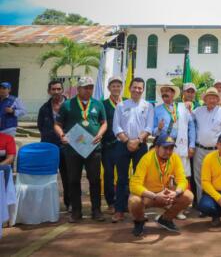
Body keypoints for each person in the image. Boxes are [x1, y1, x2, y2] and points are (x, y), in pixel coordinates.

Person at [54, 77, 107, 223]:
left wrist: (100, 134)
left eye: (90, 87)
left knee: (95, 180)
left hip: (93, 148)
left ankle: (96, 210)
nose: (88, 90)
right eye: (85, 87)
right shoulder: (67, 105)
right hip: (73, 149)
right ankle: (76, 211)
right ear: (78, 89)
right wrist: (62, 135)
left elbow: (104, 123)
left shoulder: (98, 104)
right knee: (73, 180)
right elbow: (57, 124)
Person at [128, 134, 194, 236]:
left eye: (171, 148)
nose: (168, 152)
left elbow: (183, 180)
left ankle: (166, 219)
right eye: (165, 148)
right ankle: (139, 221)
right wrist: (154, 196)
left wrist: (175, 192)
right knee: (134, 201)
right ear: (157, 147)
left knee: (188, 196)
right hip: (148, 196)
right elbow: (134, 185)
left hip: (165, 194)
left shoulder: (175, 158)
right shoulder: (146, 159)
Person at [112, 77, 154, 222]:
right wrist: (127, 141)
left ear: (143, 90)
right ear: (129, 88)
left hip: (141, 145)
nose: (137, 90)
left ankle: (139, 210)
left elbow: (149, 127)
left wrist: (137, 141)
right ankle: (119, 210)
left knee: (140, 179)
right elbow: (116, 127)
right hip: (123, 145)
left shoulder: (148, 106)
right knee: (122, 178)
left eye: (140, 88)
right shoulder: (121, 105)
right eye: (134, 87)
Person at [153, 82, 195, 219]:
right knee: (165, 177)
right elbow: (153, 131)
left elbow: (191, 127)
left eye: (168, 91)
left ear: (173, 93)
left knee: (181, 177)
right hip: (165, 148)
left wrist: (192, 145)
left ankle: (179, 208)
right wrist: (158, 128)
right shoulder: (157, 110)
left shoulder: (183, 108)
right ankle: (165, 206)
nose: (165, 94)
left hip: (182, 146)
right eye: (163, 92)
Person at [192, 88, 221, 201]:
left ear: (218, 99)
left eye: (214, 97)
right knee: (199, 177)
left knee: (216, 176)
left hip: (217, 150)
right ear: (205, 99)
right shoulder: (197, 111)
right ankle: (202, 203)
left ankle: (217, 202)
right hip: (199, 150)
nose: (212, 100)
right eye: (209, 97)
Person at [37, 79, 70, 211]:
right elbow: (40, 126)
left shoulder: (71, 106)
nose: (56, 91)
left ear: (62, 90)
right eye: (53, 89)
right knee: (47, 176)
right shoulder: (44, 108)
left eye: (58, 89)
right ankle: (46, 204)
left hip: (66, 147)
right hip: (48, 147)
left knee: (68, 176)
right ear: (49, 91)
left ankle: (69, 203)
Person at [101, 77, 122, 218]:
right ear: (109, 88)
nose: (116, 88)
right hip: (107, 146)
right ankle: (111, 203)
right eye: (113, 86)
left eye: (118, 86)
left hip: (122, 145)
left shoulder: (126, 103)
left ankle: (122, 202)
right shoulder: (102, 105)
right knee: (108, 174)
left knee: (122, 175)